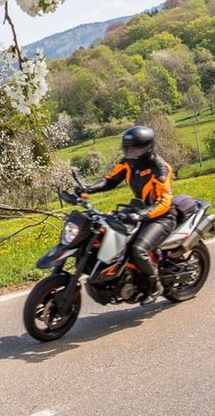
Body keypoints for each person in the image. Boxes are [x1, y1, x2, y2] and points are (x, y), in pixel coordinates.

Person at [75, 125, 175, 298]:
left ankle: (155, 285)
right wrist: (88, 189)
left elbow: (164, 202)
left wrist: (140, 215)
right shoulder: (127, 163)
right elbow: (110, 181)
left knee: (137, 250)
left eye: (134, 149)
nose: (130, 153)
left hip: (161, 217)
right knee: (106, 233)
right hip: (137, 211)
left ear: (148, 148)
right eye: (127, 148)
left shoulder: (159, 168)